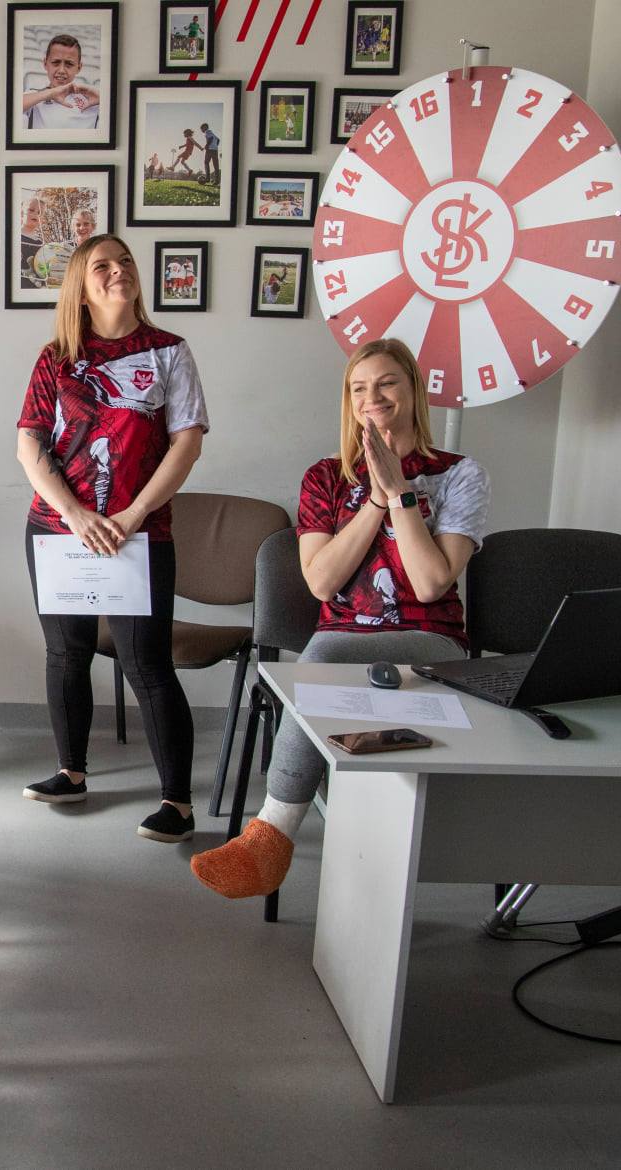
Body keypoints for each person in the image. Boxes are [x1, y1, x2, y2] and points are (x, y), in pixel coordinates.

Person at [192, 339, 490, 897]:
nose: (372, 396)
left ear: (413, 390)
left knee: (322, 659)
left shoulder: (458, 474)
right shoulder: (326, 478)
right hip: (339, 640)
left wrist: (400, 493)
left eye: (387, 382)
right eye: (359, 388)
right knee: (326, 657)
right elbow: (322, 583)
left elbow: (430, 584)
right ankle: (278, 840)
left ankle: (273, 831)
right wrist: (374, 501)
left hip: (431, 642)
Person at [14, 235, 209, 842]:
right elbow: (29, 444)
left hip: (140, 534)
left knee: (145, 663)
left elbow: (187, 443)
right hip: (57, 530)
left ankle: (177, 804)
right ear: (81, 286)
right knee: (65, 654)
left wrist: (134, 514)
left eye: (125, 261)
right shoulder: (56, 358)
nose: (118, 270)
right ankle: (71, 774)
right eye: (102, 265)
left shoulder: (169, 351)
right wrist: (75, 514)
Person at [21, 33, 100, 131]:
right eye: (55, 62)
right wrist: (51, 93)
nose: (61, 70)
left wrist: (102, 98)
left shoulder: (92, 101)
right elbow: (10, 107)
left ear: (79, 67)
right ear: (45, 63)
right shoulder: (34, 96)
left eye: (69, 64)